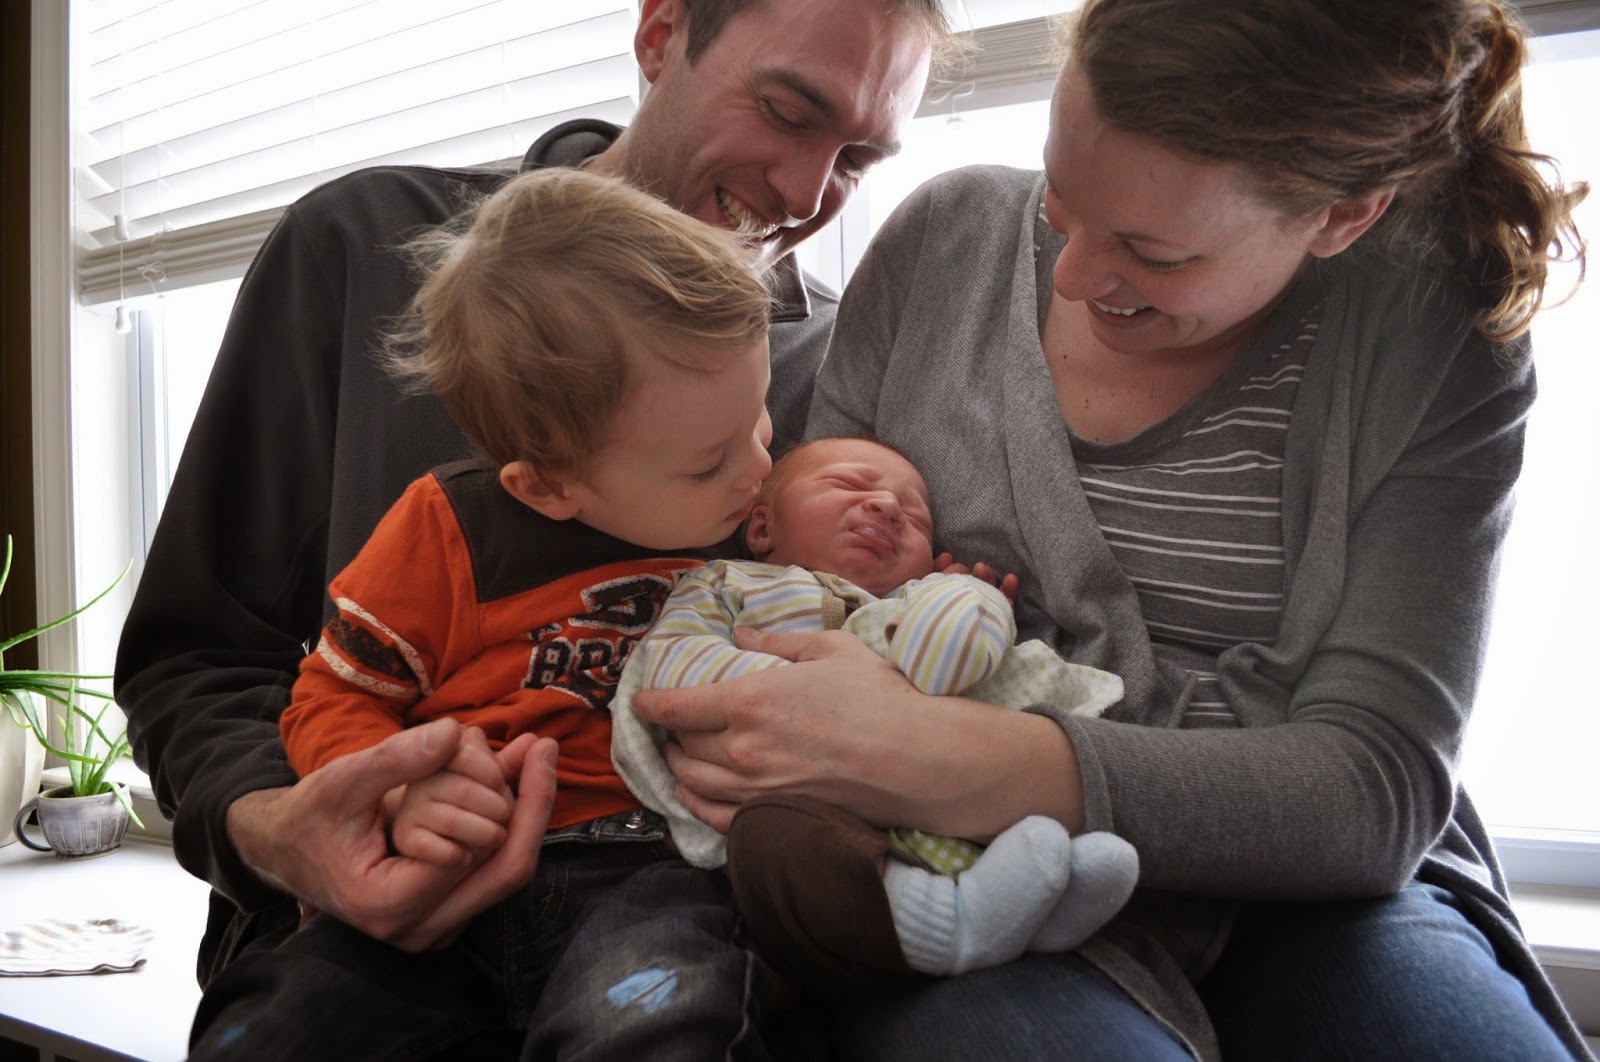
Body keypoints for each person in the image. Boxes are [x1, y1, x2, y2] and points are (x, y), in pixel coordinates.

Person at [626, 1, 1595, 1058]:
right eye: (1061, 198)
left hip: (1315, 894)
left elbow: (1370, 790)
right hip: (963, 871)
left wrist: (938, 753)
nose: (1074, 274)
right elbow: (800, 568)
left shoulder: (1432, 335)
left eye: (1151, 251)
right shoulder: (943, 240)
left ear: (1341, 217)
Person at [113, 0, 942, 1049]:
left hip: (658, 924)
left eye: (859, 158)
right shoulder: (365, 247)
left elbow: (863, 652)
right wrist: (284, 825)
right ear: (661, 32)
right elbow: (196, 659)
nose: (808, 193)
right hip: (363, 942)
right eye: (786, 110)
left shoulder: (829, 369)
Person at [183, 165, 780, 1059]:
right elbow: (331, 697)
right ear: (546, 488)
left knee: (666, 1023)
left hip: (653, 879)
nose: (759, 468)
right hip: (446, 878)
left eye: (760, 419)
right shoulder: (447, 531)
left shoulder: (753, 529)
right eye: (709, 462)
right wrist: (393, 792)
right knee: (274, 1022)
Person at [610, 436, 1139, 989]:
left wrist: (965, 602)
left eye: (917, 518)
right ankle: (947, 917)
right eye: (849, 484)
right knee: (777, 842)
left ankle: (1026, 897)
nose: (888, 506)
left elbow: (950, 665)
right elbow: (673, 663)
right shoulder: (726, 584)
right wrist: (799, 699)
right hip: (787, 793)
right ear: (762, 528)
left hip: (946, 784)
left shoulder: (910, 600)